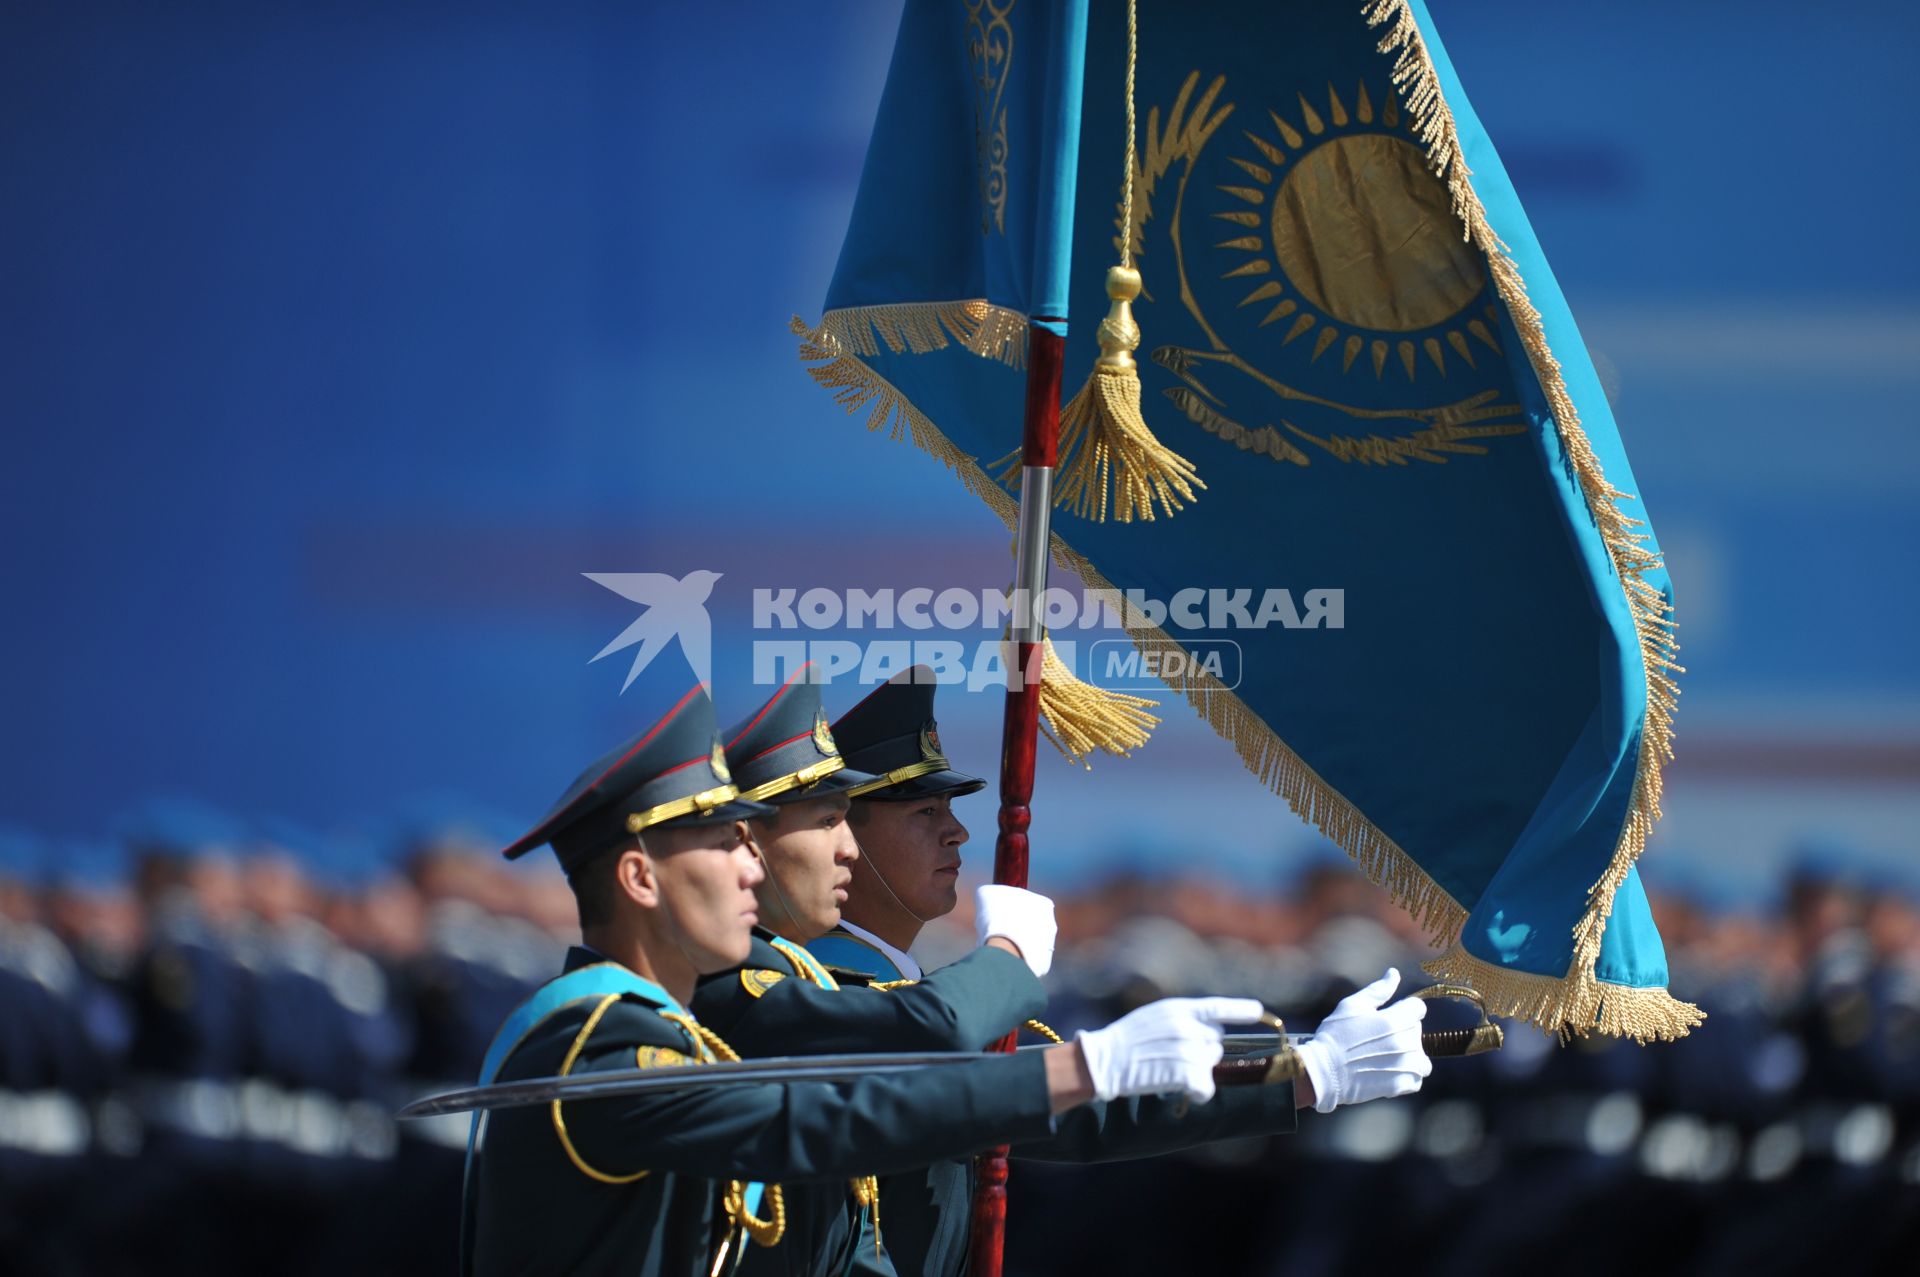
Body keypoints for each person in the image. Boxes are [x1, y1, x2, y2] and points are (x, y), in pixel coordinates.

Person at [465, 682, 1266, 1277]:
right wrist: (1072, 1057)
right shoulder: (602, 1045)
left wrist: (1300, 1071)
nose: (751, 866)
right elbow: (840, 1117)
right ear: (640, 878)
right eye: (725, 843)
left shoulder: (653, 1033)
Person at [809, 666, 1435, 1277]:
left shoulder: (899, 991)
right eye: (924, 813)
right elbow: (944, 1063)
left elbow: (1080, 1109)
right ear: (842, 838)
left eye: (949, 806)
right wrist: (1008, 956)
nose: (957, 831)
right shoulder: (808, 991)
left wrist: (1308, 1073)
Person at [691, 665, 1060, 1276]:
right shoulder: (758, 993)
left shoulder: (804, 988)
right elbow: (936, 1040)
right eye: (828, 820)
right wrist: (1009, 953)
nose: (847, 851)